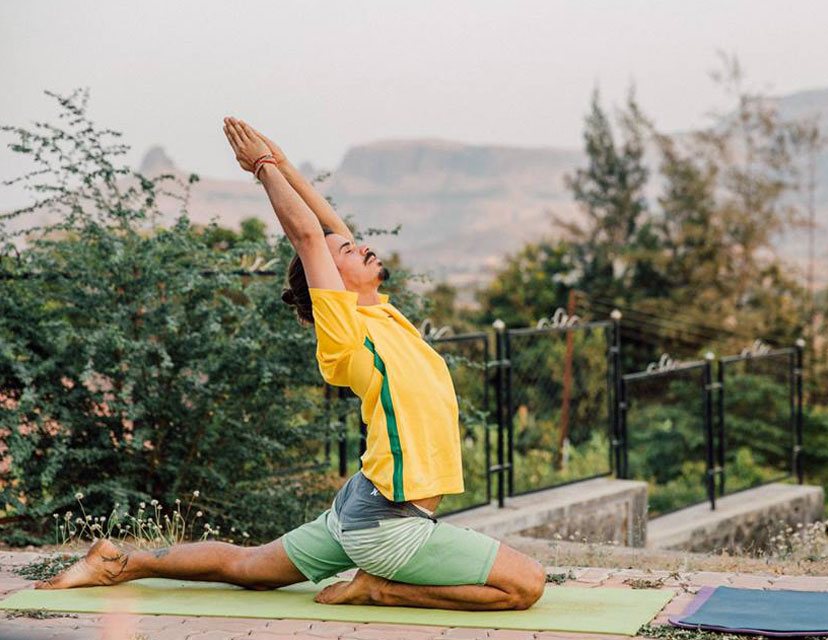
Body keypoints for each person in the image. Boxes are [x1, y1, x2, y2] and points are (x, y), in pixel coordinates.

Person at [36, 117, 546, 611]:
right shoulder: (344, 334)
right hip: (388, 523)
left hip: (360, 505)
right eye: (348, 250)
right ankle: (379, 589)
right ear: (331, 281)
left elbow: (327, 226)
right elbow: (310, 238)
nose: (361, 244)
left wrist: (278, 159)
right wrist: (261, 168)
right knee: (526, 586)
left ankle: (119, 562)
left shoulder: (378, 313)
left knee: (249, 568)